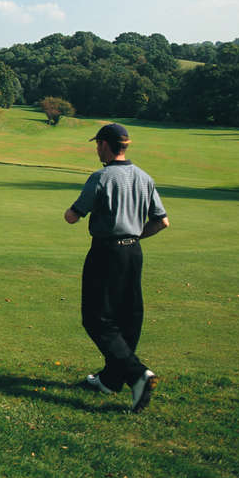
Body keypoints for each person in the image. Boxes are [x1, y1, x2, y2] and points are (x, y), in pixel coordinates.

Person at [64, 122, 169, 413]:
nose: (97, 150)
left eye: (98, 144)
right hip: (133, 251)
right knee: (128, 317)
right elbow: (162, 221)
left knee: (96, 318)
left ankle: (137, 374)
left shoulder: (101, 177)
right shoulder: (145, 177)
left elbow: (72, 216)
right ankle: (110, 380)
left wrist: (72, 212)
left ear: (106, 145)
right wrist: (132, 237)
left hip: (106, 252)